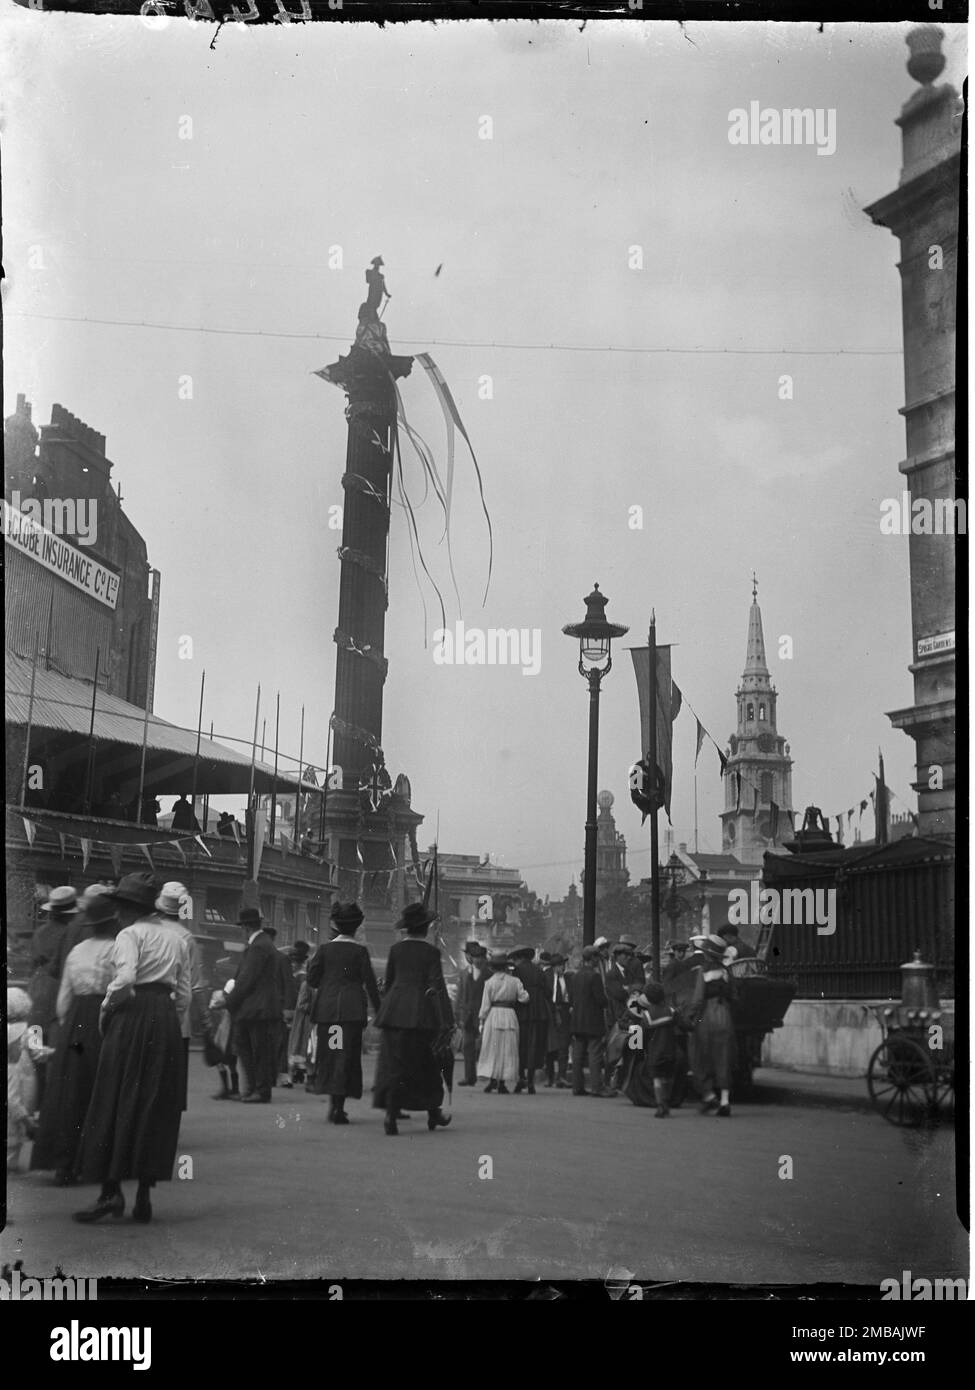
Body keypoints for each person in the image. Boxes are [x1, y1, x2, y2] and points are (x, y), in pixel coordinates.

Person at [72, 883, 190, 1224]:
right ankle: (143, 1196)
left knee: (115, 1096)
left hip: (132, 1016)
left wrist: (108, 1008)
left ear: (129, 908)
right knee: (152, 1102)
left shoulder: (128, 935)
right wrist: (169, 1020)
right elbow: (183, 994)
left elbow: (125, 979)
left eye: (121, 905)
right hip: (165, 1019)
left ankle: (111, 1193)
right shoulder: (176, 939)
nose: (118, 912)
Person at [31, 895, 120, 1184]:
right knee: (102, 1090)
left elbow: (62, 1002)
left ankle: (64, 1163)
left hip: (75, 1026)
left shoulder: (77, 951)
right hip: (105, 1022)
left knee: (70, 1091)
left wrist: (68, 1027)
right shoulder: (118, 950)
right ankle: (96, 1162)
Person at [372, 903, 452, 1136]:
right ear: (425, 928)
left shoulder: (396, 950)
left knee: (395, 1065)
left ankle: (391, 1115)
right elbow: (436, 986)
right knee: (426, 1064)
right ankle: (432, 1113)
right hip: (420, 1015)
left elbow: (388, 983)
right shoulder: (431, 952)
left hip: (394, 1013)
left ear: (407, 929)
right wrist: (444, 1018)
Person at [306, 903, 380, 1123]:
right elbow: (370, 984)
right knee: (345, 1058)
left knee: (332, 1056)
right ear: (356, 928)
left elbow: (311, 979)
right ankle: (339, 1107)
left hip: (329, 1014)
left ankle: (333, 1106)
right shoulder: (360, 951)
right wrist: (380, 1010)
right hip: (351, 1013)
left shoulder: (325, 949)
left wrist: (328, 985)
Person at [154, 882, 206, 1111]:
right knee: (172, 1075)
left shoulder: (145, 930)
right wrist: (201, 1016)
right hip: (177, 1016)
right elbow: (193, 984)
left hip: (146, 1012)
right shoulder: (186, 938)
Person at [224, 908, 282, 1104]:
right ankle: (253, 1088)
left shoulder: (258, 947)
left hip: (257, 1008)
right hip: (258, 1007)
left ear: (246, 927)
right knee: (248, 1048)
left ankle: (259, 1090)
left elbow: (247, 979)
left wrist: (228, 1001)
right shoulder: (262, 943)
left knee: (256, 1050)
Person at [687, 933, 738, 1117]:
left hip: (707, 1016)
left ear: (707, 954)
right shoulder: (726, 972)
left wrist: (691, 1017)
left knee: (700, 1054)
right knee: (724, 1057)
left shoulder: (703, 971)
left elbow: (698, 998)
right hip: (725, 1015)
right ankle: (725, 1101)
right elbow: (734, 995)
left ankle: (708, 1095)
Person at [8, 987, 53, 1172]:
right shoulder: (31, 1030)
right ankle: (12, 1161)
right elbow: (39, 1053)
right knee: (18, 1114)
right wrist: (55, 1051)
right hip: (23, 1073)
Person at [28, 886, 80, 1045]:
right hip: (60, 985)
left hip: (38, 983)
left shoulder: (40, 931)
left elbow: (33, 963)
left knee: (35, 1029)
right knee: (56, 1037)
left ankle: (35, 1057)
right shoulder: (72, 933)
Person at [620, 983, 678, 1117]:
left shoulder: (649, 1013)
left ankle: (661, 1103)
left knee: (654, 1074)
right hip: (644, 1041)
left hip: (648, 1045)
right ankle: (663, 1102)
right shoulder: (667, 1010)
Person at [477, 952, 529, 1094]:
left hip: (493, 1015)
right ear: (506, 967)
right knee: (508, 1049)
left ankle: (493, 1080)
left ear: (493, 968)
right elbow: (524, 998)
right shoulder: (515, 981)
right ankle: (502, 1083)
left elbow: (485, 1005)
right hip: (509, 1015)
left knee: (493, 1048)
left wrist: (481, 1020)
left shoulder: (489, 983)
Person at [567, 946, 611, 1097]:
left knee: (578, 1055)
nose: (598, 960)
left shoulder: (575, 976)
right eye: (596, 957)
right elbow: (600, 1000)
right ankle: (596, 1087)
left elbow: (572, 999)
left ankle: (577, 1087)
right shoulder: (595, 976)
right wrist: (606, 1002)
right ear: (592, 958)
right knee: (594, 1054)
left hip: (577, 1021)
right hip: (592, 1021)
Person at [509, 945, 548, 1094]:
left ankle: (521, 1079)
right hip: (538, 1012)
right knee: (533, 1047)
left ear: (519, 958)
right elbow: (547, 990)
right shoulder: (538, 970)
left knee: (521, 1046)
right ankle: (531, 1082)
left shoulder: (517, 971)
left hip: (522, 1012)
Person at [454, 941, 489, 1087]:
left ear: (484, 958)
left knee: (486, 1045)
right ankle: (469, 1077)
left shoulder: (489, 974)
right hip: (468, 1016)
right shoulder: (464, 973)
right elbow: (460, 996)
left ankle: (487, 1075)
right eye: (475, 956)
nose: (478, 959)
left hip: (485, 1014)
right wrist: (457, 1014)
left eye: (481, 957)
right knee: (468, 1046)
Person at [542, 953, 571, 1088]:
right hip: (550, 1012)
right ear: (554, 967)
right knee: (550, 1047)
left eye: (563, 965)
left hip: (564, 1012)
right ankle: (550, 1076)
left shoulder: (567, 978)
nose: (562, 968)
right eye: (560, 966)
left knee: (564, 1046)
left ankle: (562, 1076)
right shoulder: (546, 977)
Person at [287, 941, 313, 1084]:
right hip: (296, 1013)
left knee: (299, 1042)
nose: (293, 964)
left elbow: (300, 999)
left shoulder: (302, 978)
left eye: (295, 961)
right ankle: (298, 1071)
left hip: (299, 1015)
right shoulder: (298, 976)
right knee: (297, 1042)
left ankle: (298, 1071)